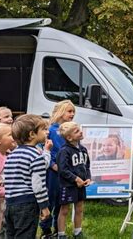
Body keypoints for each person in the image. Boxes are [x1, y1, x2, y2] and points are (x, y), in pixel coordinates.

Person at [3, 114, 50, 239]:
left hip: (10, 204)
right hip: (27, 204)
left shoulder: (11, 155)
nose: (47, 132)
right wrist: (44, 206)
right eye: (43, 129)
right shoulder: (36, 156)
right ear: (32, 134)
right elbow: (38, 185)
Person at [40, 100, 76, 238]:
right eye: (69, 111)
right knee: (50, 200)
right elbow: (49, 150)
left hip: (65, 173)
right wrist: (54, 166)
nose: (72, 114)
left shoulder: (69, 130)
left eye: (73, 112)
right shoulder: (52, 131)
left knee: (62, 201)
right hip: (53, 172)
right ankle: (45, 229)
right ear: (61, 112)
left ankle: (57, 228)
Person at [56, 121, 91, 239]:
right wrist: (75, 178)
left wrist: (88, 178)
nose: (80, 131)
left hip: (80, 185)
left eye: (79, 129)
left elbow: (86, 166)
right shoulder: (64, 151)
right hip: (68, 185)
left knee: (80, 207)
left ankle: (78, 231)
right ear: (69, 137)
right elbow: (62, 169)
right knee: (65, 209)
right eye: (76, 131)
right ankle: (61, 234)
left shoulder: (83, 149)